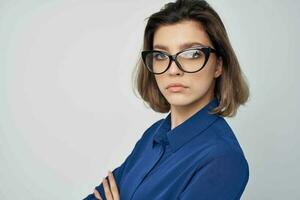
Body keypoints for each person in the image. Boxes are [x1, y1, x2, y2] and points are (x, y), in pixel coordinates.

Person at [84, 0, 250, 199]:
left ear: (218, 65)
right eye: (161, 55)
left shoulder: (223, 159)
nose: (173, 70)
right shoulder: (152, 135)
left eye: (192, 54)